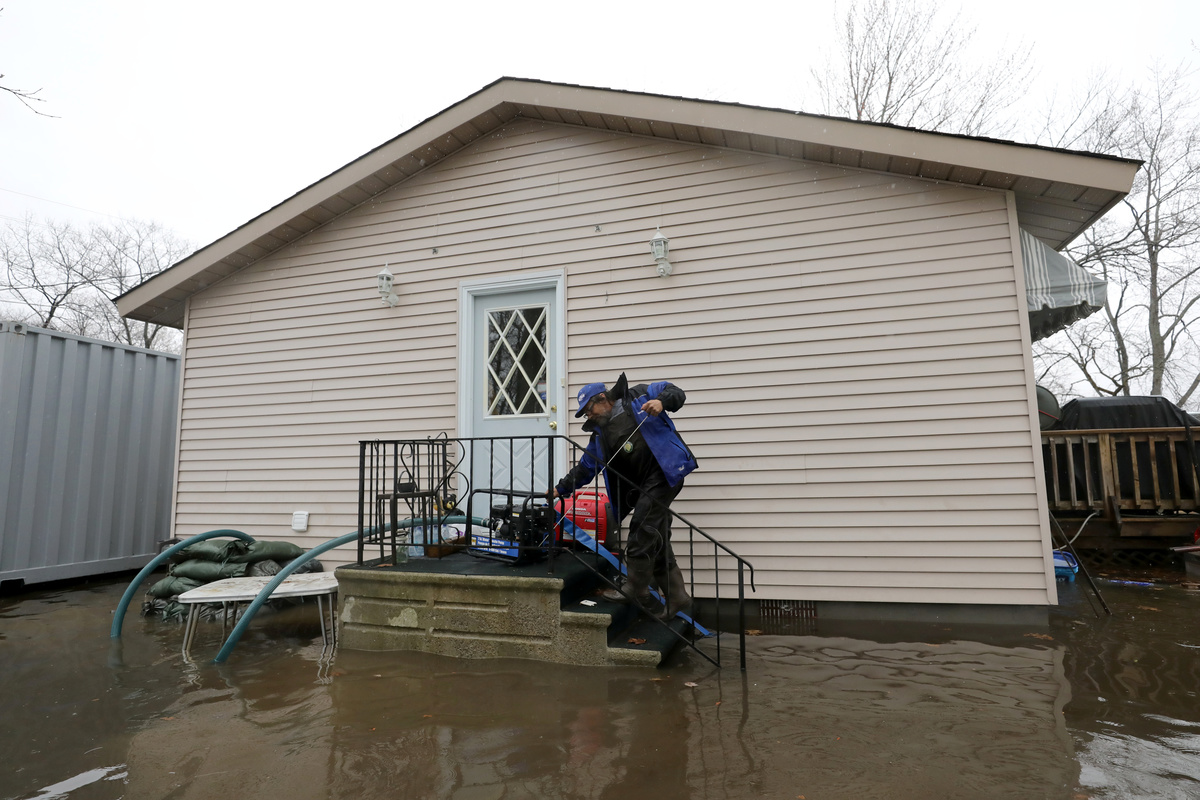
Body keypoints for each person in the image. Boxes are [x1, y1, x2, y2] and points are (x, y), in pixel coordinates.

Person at [550, 373, 697, 621]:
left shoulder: (639, 395)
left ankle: (636, 587)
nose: (588, 416)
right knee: (656, 537)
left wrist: (662, 401)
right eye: (585, 414)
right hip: (642, 486)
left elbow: (675, 392)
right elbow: (586, 468)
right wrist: (559, 489)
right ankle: (678, 597)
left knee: (642, 526)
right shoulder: (600, 434)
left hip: (665, 473)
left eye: (588, 410)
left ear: (602, 398)